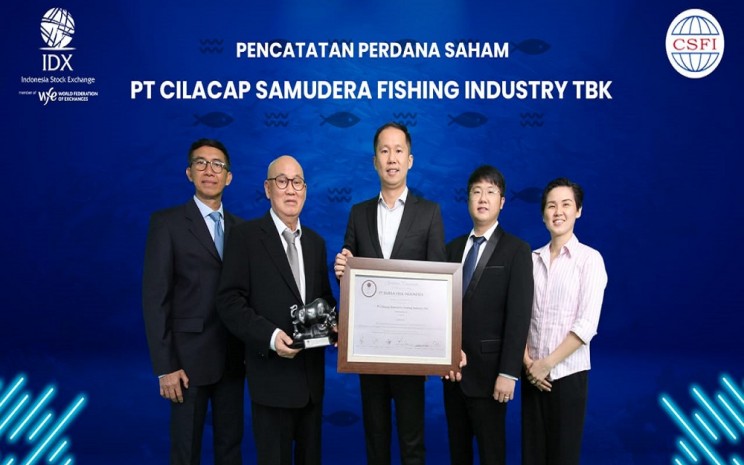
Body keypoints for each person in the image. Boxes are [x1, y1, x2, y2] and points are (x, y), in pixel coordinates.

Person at [334, 122, 446, 465]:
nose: (392, 158)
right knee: (376, 439)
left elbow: (438, 285)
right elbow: (350, 277)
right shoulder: (358, 213)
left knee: (412, 442)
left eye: (399, 151)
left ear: (410, 160)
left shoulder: (429, 213)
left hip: (412, 352)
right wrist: (341, 270)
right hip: (369, 350)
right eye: (384, 151)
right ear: (375, 161)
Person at [216, 155, 336, 465]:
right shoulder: (245, 237)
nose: (291, 189)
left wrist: (335, 325)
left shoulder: (316, 243)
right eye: (282, 181)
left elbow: (323, 300)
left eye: (297, 182)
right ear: (268, 189)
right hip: (271, 379)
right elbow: (229, 302)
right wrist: (269, 337)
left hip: (311, 382)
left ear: (305, 190)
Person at [142, 138, 245, 465]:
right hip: (186, 362)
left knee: (231, 449)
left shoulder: (243, 230)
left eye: (218, 165)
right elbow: (154, 298)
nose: (209, 171)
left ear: (228, 177)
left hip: (233, 358)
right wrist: (165, 367)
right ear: (189, 173)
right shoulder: (167, 223)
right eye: (201, 163)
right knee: (185, 451)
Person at [442, 165, 533, 465]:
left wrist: (508, 373)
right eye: (477, 191)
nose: (483, 198)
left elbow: (519, 316)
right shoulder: (451, 249)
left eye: (491, 192)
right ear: (468, 198)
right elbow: (440, 309)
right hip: (453, 372)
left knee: (492, 455)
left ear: (502, 201)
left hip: (492, 375)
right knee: (458, 454)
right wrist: (443, 356)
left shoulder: (517, 250)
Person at [521, 177, 608, 465]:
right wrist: (529, 364)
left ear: (578, 210)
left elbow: (587, 325)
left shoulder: (589, 260)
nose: (558, 212)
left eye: (566, 204)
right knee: (532, 457)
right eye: (551, 205)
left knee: (563, 457)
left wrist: (547, 364)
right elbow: (518, 317)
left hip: (568, 375)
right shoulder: (530, 260)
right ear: (543, 214)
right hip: (531, 374)